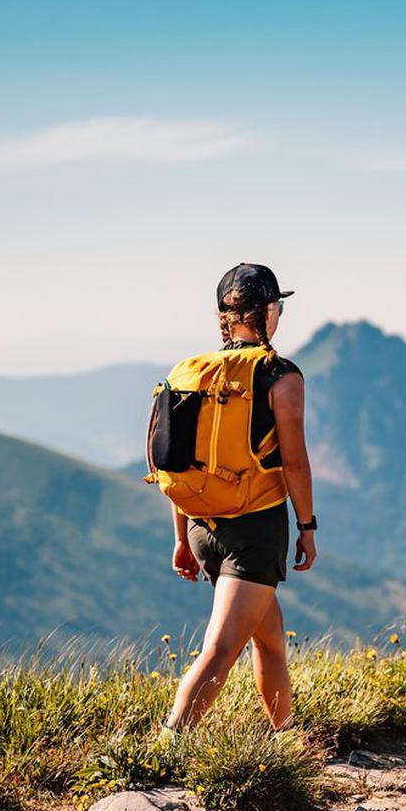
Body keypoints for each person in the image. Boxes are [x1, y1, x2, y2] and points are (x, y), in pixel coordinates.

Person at [161, 263, 317, 735]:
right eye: (278, 306)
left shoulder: (192, 374)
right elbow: (294, 462)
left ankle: (286, 740)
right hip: (254, 530)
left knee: (269, 638)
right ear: (268, 312)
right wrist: (307, 527)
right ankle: (163, 748)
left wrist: (182, 538)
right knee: (221, 650)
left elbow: (177, 463)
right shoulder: (280, 376)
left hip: (201, 524)